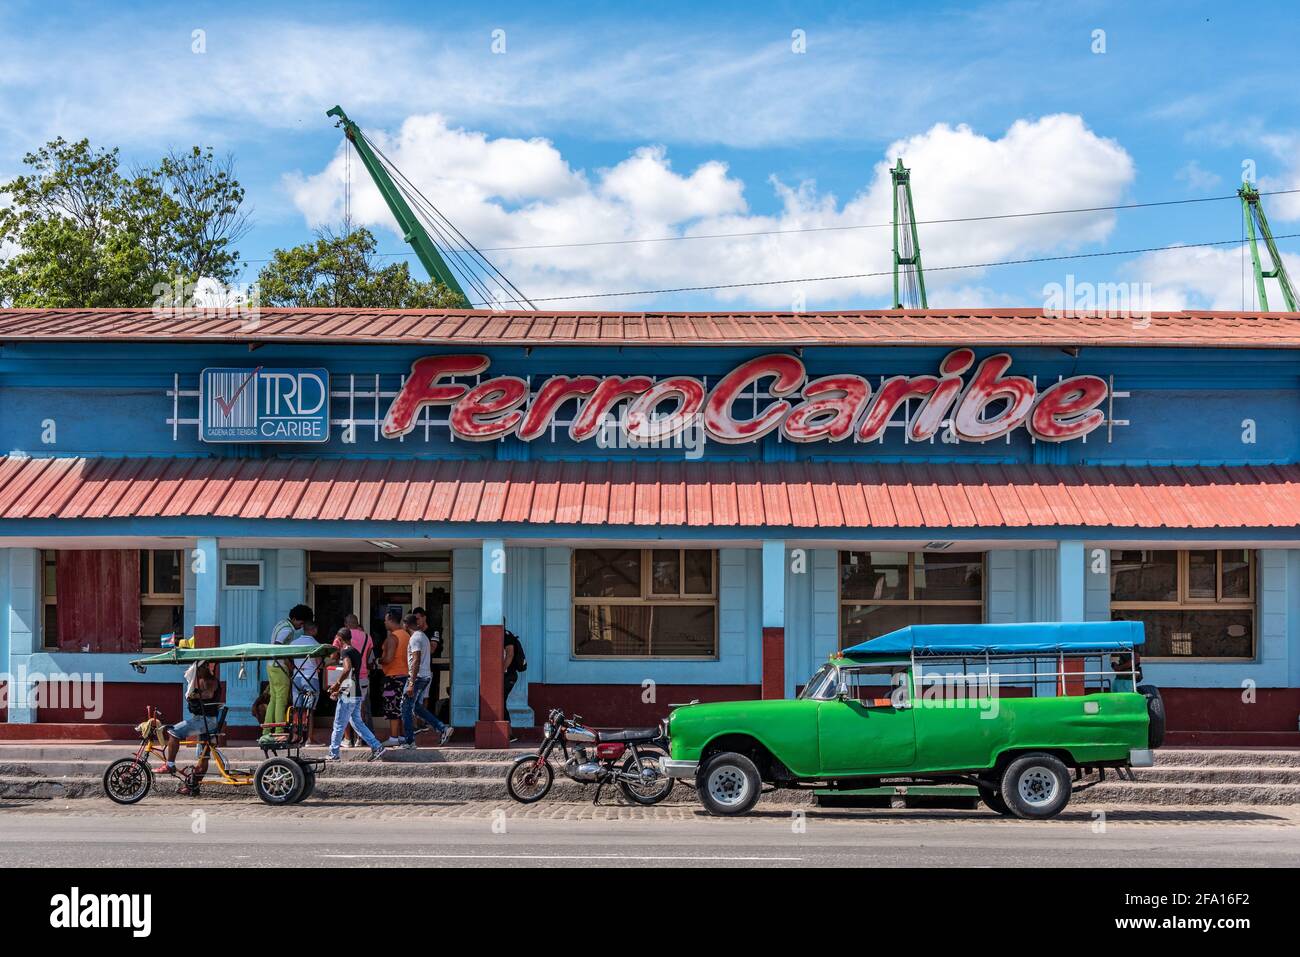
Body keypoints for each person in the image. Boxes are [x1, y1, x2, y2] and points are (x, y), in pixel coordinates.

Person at [158, 660, 221, 795]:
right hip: (204, 720)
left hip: (205, 720)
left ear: (203, 668)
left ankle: (169, 764)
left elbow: (208, 695)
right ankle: (193, 786)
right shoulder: (204, 680)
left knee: (174, 732)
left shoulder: (210, 681)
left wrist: (194, 694)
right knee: (203, 756)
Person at [326, 629, 386, 761]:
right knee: (357, 722)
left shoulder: (345, 651)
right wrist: (340, 689)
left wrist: (337, 684)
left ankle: (333, 753)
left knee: (339, 724)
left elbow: (347, 669)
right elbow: (352, 675)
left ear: (340, 639)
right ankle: (377, 746)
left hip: (349, 693)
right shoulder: (356, 652)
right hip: (355, 691)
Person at [262, 603, 313, 745]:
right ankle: (279, 732)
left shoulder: (281, 624)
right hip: (279, 667)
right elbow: (278, 646)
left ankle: (266, 731)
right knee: (281, 700)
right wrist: (288, 663)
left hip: (271, 665)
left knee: (274, 699)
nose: (301, 627)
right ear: (295, 618)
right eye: (301, 623)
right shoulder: (288, 630)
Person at [401, 613, 454, 748]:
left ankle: (409, 741)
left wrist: (411, 683)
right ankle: (442, 728)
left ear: (406, 624)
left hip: (417, 677)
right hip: (424, 676)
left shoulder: (415, 638)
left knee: (405, 707)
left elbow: (416, 659)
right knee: (417, 707)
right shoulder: (423, 636)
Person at [332, 614, 375, 748]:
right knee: (359, 708)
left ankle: (347, 739)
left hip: (346, 678)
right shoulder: (367, 637)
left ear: (346, 624)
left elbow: (333, 655)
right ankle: (359, 739)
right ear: (357, 623)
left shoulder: (341, 637)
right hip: (362, 676)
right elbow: (368, 658)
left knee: (344, 707)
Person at [379, 610, 411, 747]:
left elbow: (389, 658)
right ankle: (402, 736)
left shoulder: (393, 637)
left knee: (392, 707)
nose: (384, 622)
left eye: (385, 620)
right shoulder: (406, 635)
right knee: (401, 707)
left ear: (391, 620)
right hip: (405, 675)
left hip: (393, 676)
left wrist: (379, 660)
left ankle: (393, 737)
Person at [411, 606, 445, 735]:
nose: (417, 621)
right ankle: (415, 723)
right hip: (415, 671)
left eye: (418, 618)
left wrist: (421, 646)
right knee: (414, 699)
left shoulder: (432, 631)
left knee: (424, 697)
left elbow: (432, 649)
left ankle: (422, 722)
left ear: (424, 617)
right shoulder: (414, 633)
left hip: (427, 669)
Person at [290, 620, 324, 740]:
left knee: (297, 708)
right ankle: (309, 738)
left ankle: (295, 735)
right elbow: (319, 664)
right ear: (314, 630)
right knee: (310, 709)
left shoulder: (293, 643)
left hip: (297, 677)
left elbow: (289, 661)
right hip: (311, 677)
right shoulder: (316, 644)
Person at [502, 627, 526, 744]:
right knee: (500, 702)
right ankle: (508, 733)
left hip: (508, 676)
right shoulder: (503, 635)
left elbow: (510, 654)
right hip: (506, 676)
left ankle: (509, 734)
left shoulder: (506, 636)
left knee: (500, 702)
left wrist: (499, 672)